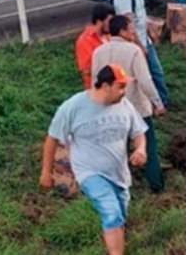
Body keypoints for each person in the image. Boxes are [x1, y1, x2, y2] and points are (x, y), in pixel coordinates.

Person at [40, 64, 148, 255]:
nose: (124, 92)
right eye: (120, 87)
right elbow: (52, 139)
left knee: (119, 217)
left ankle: (115, 248)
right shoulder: (72, 107)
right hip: (90, 173)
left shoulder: (124, 105)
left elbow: (138, 132)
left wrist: (140, 149)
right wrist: (46, 172)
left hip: (119, 174)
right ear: (105, 86)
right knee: (112, 214)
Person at [92, 16, 167, 194]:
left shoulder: (98, 52)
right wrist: (158, 103)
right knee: (148, 146)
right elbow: (145, 81)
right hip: (137, 110)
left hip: (111, 109)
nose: (134, 31)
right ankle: (157, 186)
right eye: (130, 28)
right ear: (122, 31)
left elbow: (96, 81)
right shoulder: (133, 51)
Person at [112, 0, 170, 106]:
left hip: (145, 40)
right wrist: (140, 46)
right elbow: (129, 25)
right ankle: (157, 103)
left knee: (156, 73)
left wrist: (151, 31)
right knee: (147, 76)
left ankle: (161, 101)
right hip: (136, 43)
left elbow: (141, 15)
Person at [76, 3, 115, 89]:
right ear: (99, 22)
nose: (112, 25)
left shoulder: (109, 36)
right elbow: (87, 70)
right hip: (98, 88)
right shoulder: (84, 41)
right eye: (109, 21)